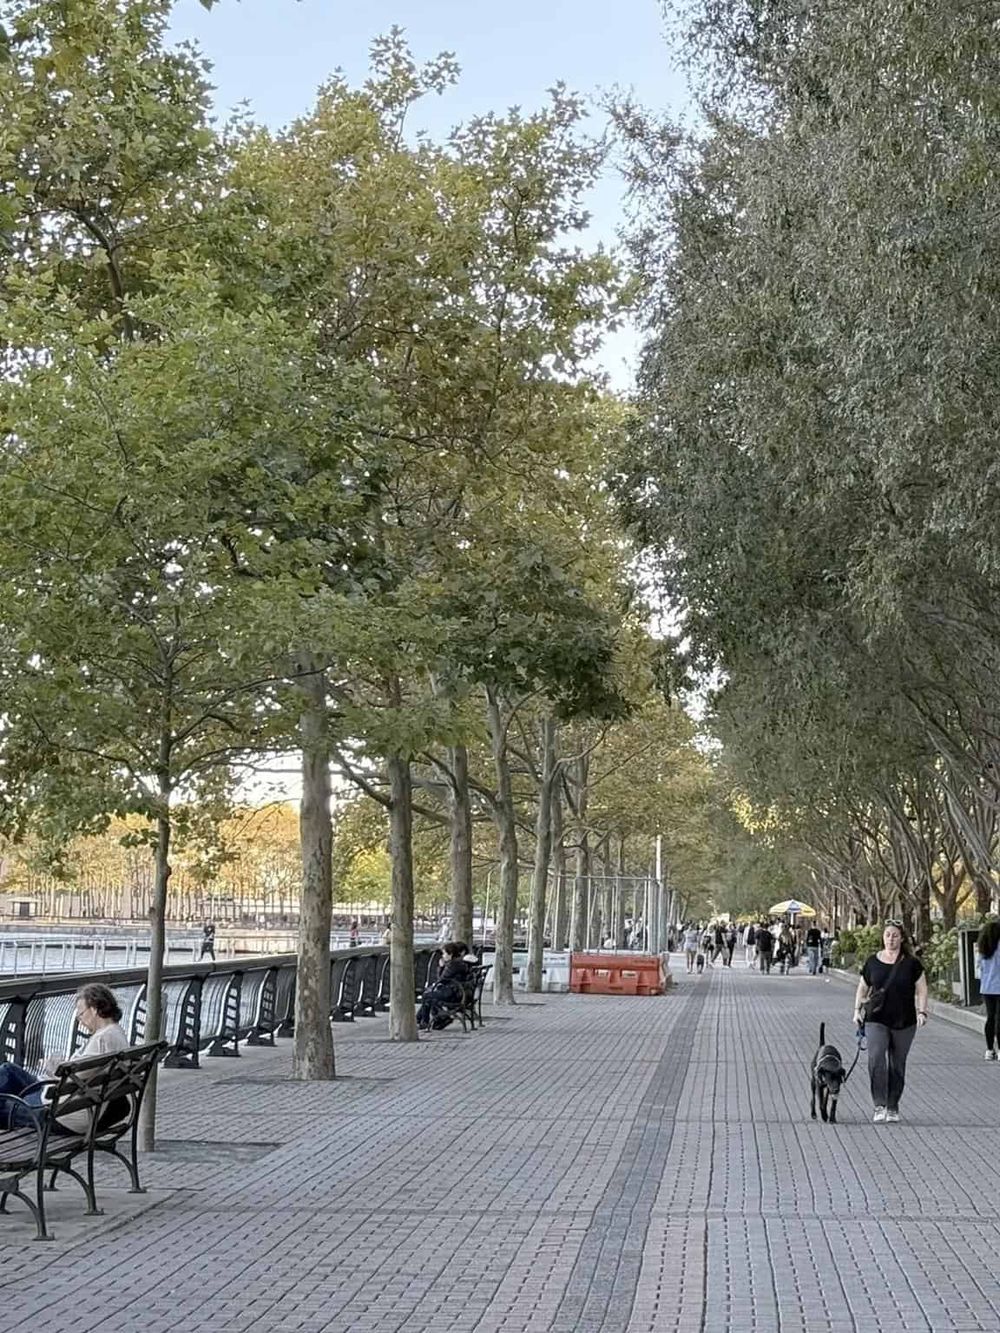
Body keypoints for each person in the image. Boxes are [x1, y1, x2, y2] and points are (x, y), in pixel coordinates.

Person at [0, 983, 130, 1132]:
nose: (79, 1020)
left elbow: (71, 1078)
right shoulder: (116, 1033)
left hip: (63, 1113)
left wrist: (55, 1069)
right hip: (78, 1102)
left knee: (3, 1103)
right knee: (9, 1071)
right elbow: (84, 1074)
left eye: (81, 1014)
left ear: (94, 1009)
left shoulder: (102, 1040)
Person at [853, 919, 928, 1124]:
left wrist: (922, 1012)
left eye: (895, 935)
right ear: (883, 937)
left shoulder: (911, 963)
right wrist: (857, 1010)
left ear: (901, 938)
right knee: (876, 1059)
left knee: (897, 1064)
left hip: (905, 1020)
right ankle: (879, 1104)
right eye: (887, 935)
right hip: (876, 1018)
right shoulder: (872, 962)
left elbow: (922, 988)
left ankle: (893, 1105)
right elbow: (862, 988)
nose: (891, 939)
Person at [417, 943, 472, 1031]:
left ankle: (425, 1021)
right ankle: (433, 1019)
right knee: (429, 995)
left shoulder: (452, 965)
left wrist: (441, 967)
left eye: (444, 953)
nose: (443, 956)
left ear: (450, 954)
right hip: (460, 992)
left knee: (427, 996)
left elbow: (441, 979)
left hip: (453, 994)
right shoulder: (460, 963)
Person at [976, 920, 1000, 1059]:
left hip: (987, 988)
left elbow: (980, 968)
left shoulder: (984, 949)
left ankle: (989, 1050)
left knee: (990, 1018)